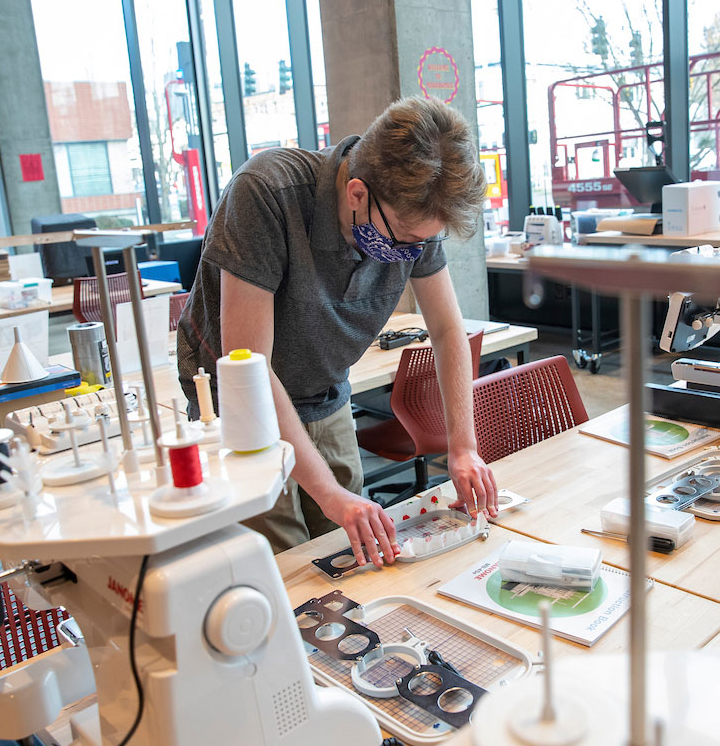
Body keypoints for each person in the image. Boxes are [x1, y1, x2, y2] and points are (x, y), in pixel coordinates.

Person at [177, 96, 499, 565]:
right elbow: (250, 367)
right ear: (356, 193)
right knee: (283, 561)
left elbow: (449, 331)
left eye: (425, 242)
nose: (414, 253)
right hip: (241, 406)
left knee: (352, 546)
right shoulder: (267, 192)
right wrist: (328, 493)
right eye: (406, 240)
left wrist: (463, 448)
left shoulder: (414, 214)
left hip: (324, 390)